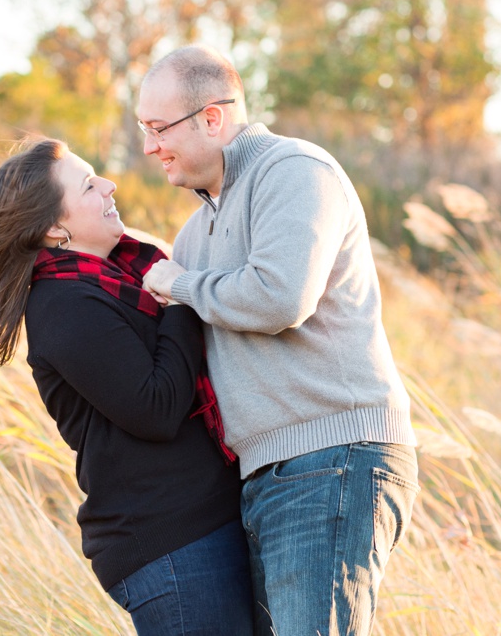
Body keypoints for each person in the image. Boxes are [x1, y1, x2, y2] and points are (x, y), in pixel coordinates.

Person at [136, 45, 420, 636]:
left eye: (158, 129)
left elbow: (280, 296)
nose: (149, 147)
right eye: (145, 130)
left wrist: (182, 284)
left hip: (333, 457)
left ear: (212, 118)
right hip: (265, 476)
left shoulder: (293, 171)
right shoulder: (192, 233)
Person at [0, 137, 254, 635]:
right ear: (54, 226)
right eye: (89, 185)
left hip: (202, 526)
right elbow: (155, 408)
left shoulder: (123, 276)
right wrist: (177, 297)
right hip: (169, 541)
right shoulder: (64, 304)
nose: (109, 185)